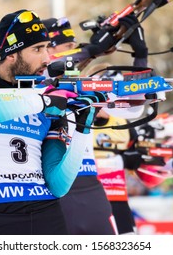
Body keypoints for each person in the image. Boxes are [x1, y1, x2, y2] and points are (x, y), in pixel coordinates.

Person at [0, 9, 103, 235]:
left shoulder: (48, 97)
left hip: (49, 216)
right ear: (11, 53)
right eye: (37, 49)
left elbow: (58, 186)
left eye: (48, 48)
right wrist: (42, 102)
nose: (47, 58)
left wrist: (83, 128)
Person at [42, 17, 118, 235]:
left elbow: (124, 108)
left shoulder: (78, 83)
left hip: (91, 190)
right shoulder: (35, 83)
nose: (74, 53)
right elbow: (52, 67)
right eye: (69, 48)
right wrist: (91, 49)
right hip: (59, 190)